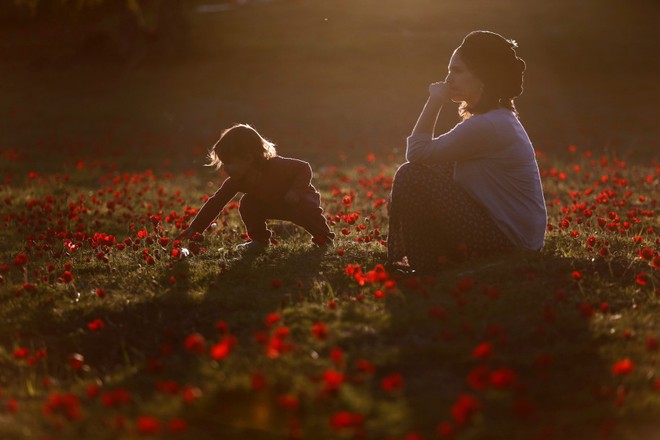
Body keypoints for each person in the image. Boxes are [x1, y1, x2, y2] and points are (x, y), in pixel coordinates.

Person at [387, 30, 547, 273]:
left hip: (510, 243)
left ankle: (426, 264)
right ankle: (429, 254)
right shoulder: (494, 119)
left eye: (457, 71)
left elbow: (416, 152)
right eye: (449, 70)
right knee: (435, 167)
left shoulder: (489, 125)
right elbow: (429, 157)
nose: (448, 79)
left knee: (410, 175)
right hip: (514, 238)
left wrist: (434, 101)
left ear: (482, 78)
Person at [175, 123, 335, 251]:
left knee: (307, 210)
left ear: (248, 158)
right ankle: (260, 240)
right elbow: (217, 202)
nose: (225, 168)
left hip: (297, 199)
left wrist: (296, 192)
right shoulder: (237, 180)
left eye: (229, 163)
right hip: (272, 204)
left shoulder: (276, 166)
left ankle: (324, 238)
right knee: (247, 204)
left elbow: (304, 168)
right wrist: (196, 227)